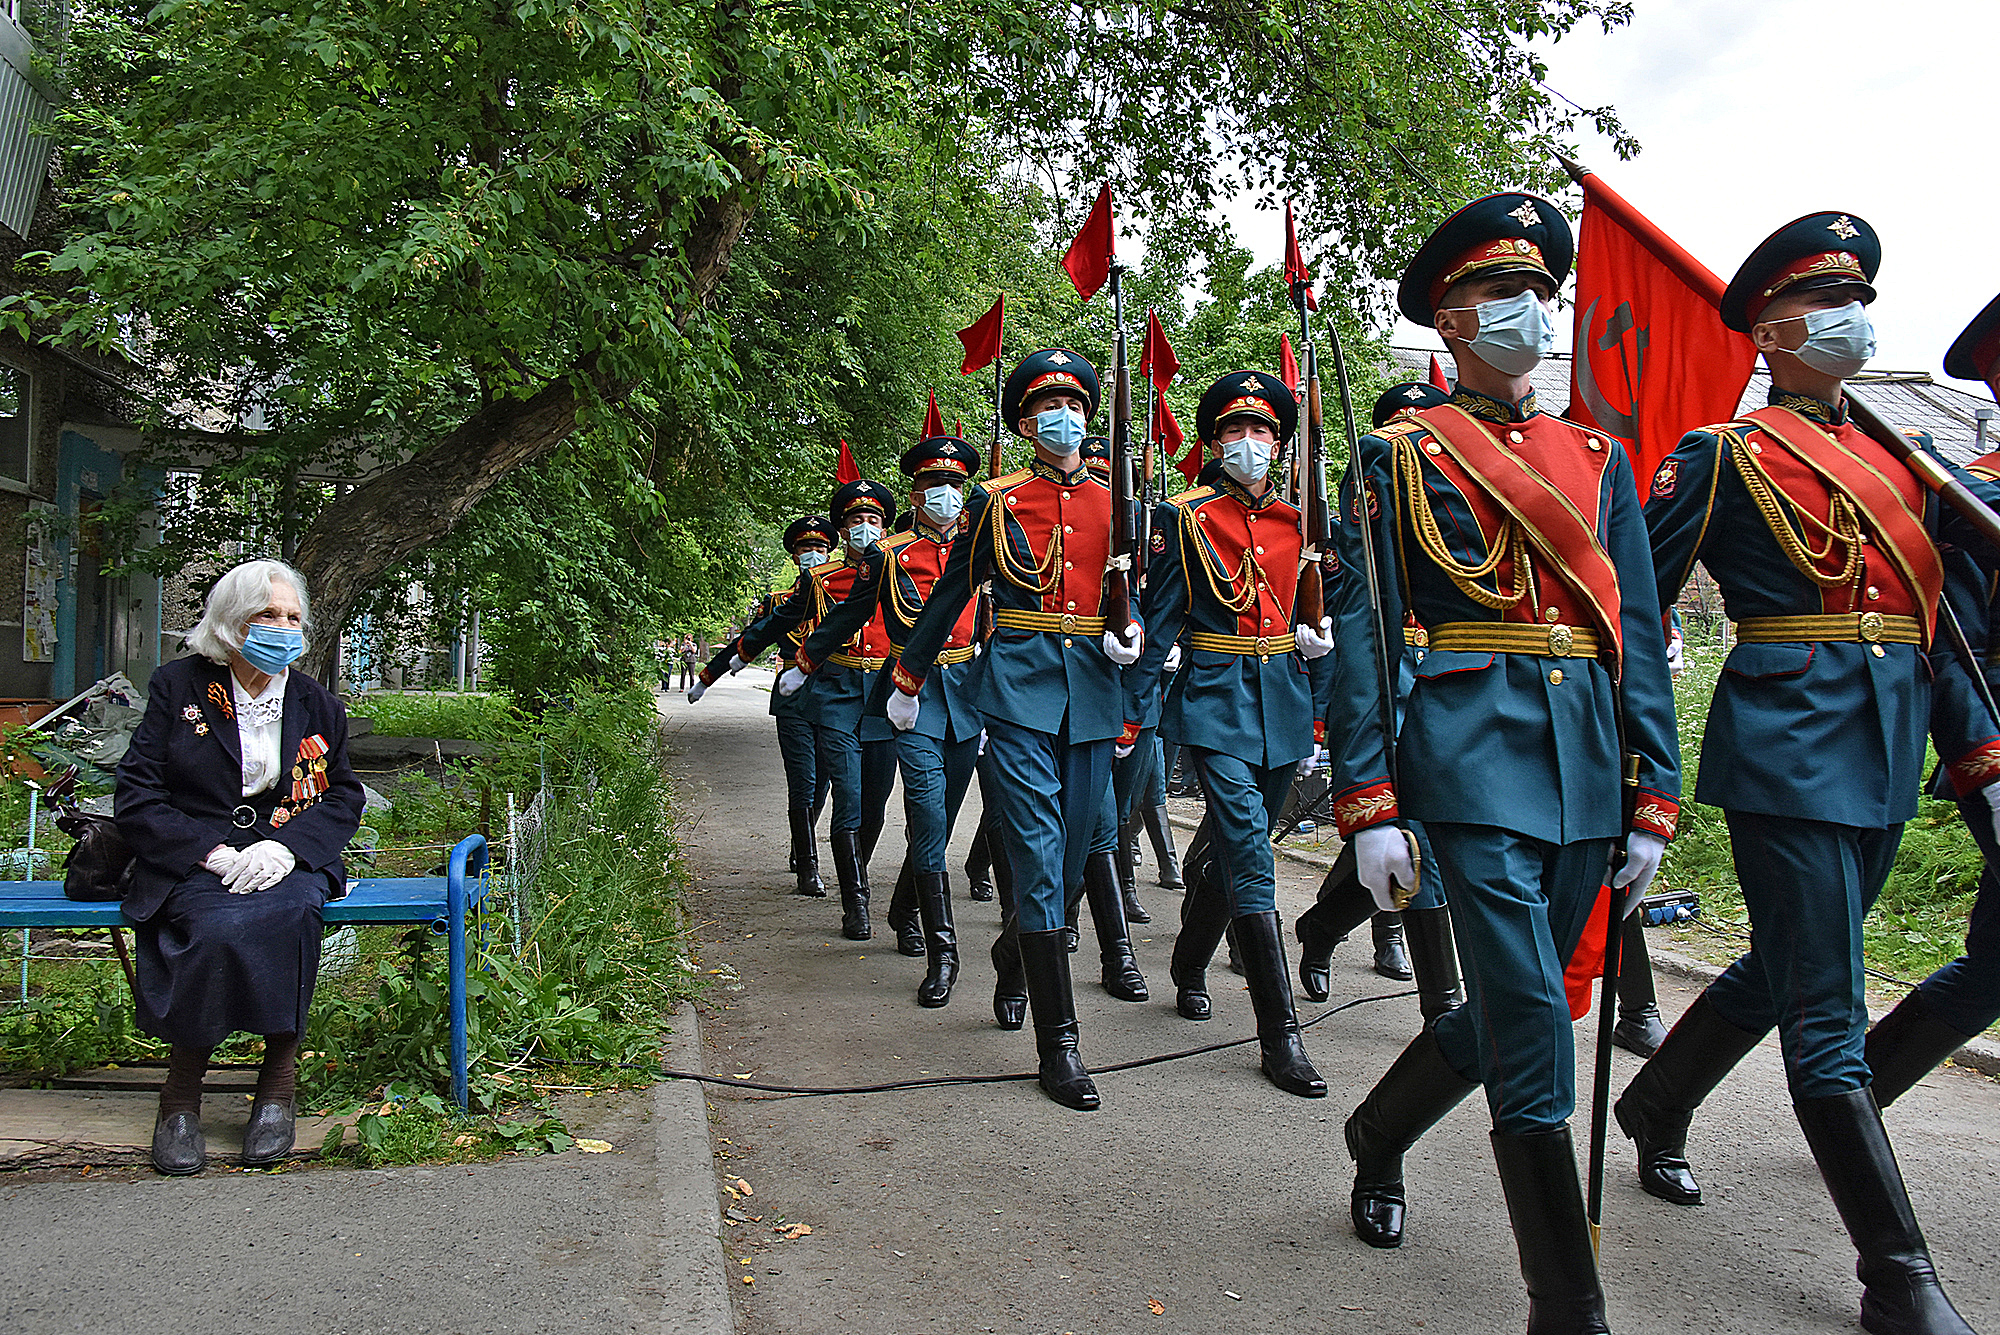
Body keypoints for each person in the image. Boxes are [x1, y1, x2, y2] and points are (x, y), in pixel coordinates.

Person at [1622, 213, 1990, 1335]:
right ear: (1773, 331)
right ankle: (1896, 1277)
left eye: (1855, 300)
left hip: (1883, 753)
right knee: (1824, 1015)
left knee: (1782, 965)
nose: (1850, 321)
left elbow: (1946, 636)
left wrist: (1979, 760)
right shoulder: (1723, 455)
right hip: (1783, 748)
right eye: (1825, 306)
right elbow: (1634, 613)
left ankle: (1656, 1102)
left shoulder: (1903, 463)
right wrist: (1631, 769)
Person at [1325, 194, 1680, 1332]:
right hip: (1468, 758)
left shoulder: (1596, 457)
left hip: (1584, 762)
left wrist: (1651, 790)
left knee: (1527, 1006)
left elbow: (1632, 634)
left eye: (1541, 292)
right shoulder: (1397, 454)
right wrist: (1368, 801)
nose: (1531, 313)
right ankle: (1563, 1305)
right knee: (1532, 1020)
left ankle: (1377, 1131)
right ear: (1453, 318)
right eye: (1505, 295)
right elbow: (1371, 628)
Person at [888, 348, 1142, 1110]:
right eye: (1046, 408)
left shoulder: (1119, 502)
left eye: (1075, 406)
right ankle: (1060, 1045)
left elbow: (1138, 592)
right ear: (1026, 423)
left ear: (1091, 418)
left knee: (1067, 869)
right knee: (1033, 857)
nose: (1063, 418)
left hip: (1094, 694)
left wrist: (1134, 633)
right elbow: (954, 590)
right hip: (1019, 689)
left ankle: (1012, 954)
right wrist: (908, 674)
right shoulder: (996, 500)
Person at [115, 559, 365, 1175]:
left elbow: (343, 795)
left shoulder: (316, 704)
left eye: (293, 618)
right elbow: (138, 794)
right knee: (215, 926)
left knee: (296, 910)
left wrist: (288, 849)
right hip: (197, 860)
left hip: (286, 857)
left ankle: (277, 1085)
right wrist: (208, 852)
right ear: (231, 623)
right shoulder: (179, 686)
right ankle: (180, 1098)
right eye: (268, 616)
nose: (284, 628)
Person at [1125, 370, 1336, 1097]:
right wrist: (1132, 697)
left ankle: (1189, 958)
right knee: (1248, 844)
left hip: (1281, 700)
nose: (1250, 443)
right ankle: (1280, 1034)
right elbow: (1163, 620)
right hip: (1214, 701)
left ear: (1280, 445)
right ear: (1215, 441)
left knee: (1240, 842)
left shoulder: (1301, 520)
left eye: (1264, 432)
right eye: (1236, 432)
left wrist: (1322, 677)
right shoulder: (1185, 517)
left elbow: (1320, 621)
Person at [1857, 292, 2000, 1107]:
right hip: (1996, 740)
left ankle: (1853, 1096)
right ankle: (1848, 1100)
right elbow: (1958, 651)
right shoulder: (1976, 502)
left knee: (1991, 972)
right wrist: (1988, 768)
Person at [786, 435, 986, 1005]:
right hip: (909, 695)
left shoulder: (984, 541)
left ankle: (903, 908)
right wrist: (806, 658)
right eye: (931, 485)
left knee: (943, 818)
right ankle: (942, 950)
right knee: (924, 809)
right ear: (915, 492)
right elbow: (852, 609)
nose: (944, 495)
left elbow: (998, 617)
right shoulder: (891, 553)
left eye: (953, 484)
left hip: (968, 696)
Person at [1295, 381, 1462, 1018]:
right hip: (1385, 695)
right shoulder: (1359, 521)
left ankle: (1321, 928)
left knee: (1401, 843)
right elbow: (1355, 620)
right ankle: (1442, 1004)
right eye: (1401, 423)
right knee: (1415, 840)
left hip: (1448, 687)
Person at [694, 480, 901, 936]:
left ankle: (855, 872)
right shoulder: (821, 581)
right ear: (843, 531)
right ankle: (856, 900)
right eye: (854, 521)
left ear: (885, 526)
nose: (864, 528)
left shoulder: (902, 573)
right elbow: (776, 623)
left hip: (885, 697)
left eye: (873, 520)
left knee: (875, 808)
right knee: (843, 797)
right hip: (834, 697)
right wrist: (718, 668)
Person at [758, 516, 839, 896]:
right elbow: (756, 639)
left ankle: (800, 841)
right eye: (806, 549)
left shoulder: (843, 598)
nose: (813, 554)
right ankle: (809, 866)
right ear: (794, 556)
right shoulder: (777, 603)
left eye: (820, 548)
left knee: (823, 778)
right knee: (803, 781)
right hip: (792, 694)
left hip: (833, 691)